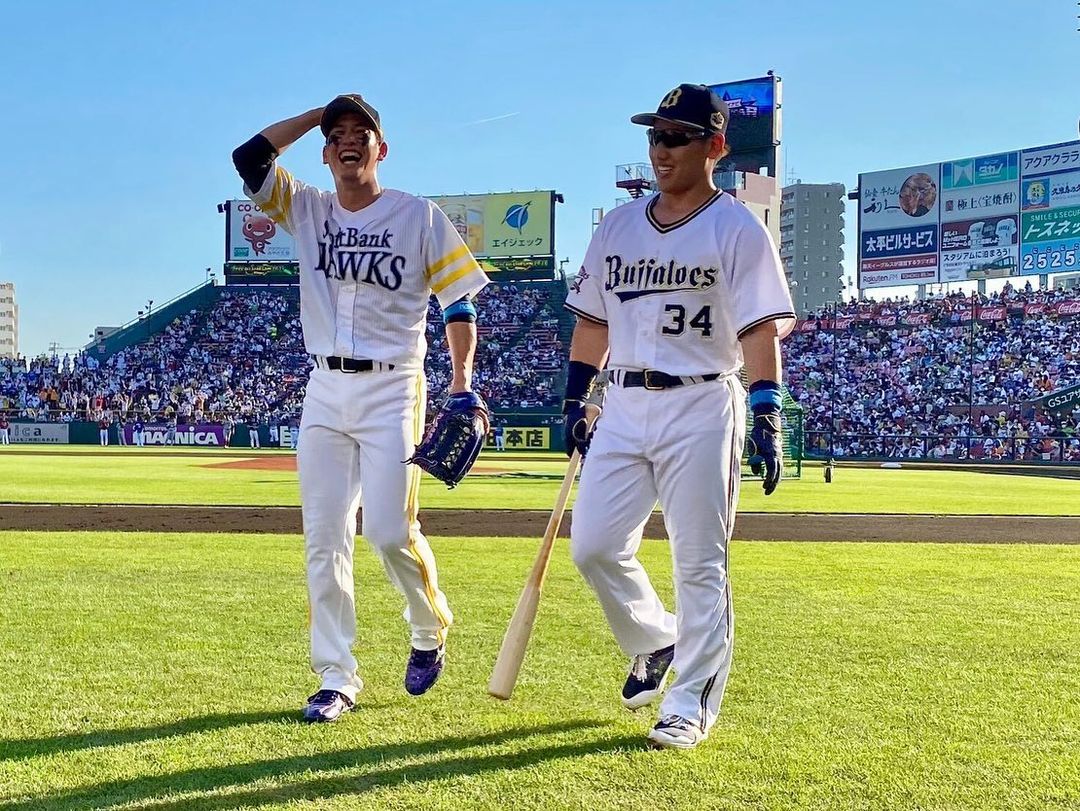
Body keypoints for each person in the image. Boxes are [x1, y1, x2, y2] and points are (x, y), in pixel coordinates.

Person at [233, 93, 488, 723]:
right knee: (323, 539)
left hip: (393, 385)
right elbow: (250, 157)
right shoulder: (306, 207)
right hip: (324, 387)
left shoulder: (418, 216)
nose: (349, 140)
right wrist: (317, 114)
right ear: (324, 154)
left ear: (382, 149)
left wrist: (461, 383)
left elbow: (458, 302)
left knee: (389, 531)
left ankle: (428, 626)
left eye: (361, 132)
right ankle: (335, 676)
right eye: (337, 134)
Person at [561, 84, 794, 750]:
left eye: (675, 138)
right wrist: (576, 396)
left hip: (701, 400)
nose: (660, 150)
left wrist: (767, 407)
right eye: (654, 137)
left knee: (699, 563)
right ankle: (654, 637)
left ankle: (690, 703)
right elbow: (593, 321)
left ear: (714, 146)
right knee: (593, 545)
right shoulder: (618, 225)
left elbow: (759, 327)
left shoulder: (736, 227)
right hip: (624, 400)